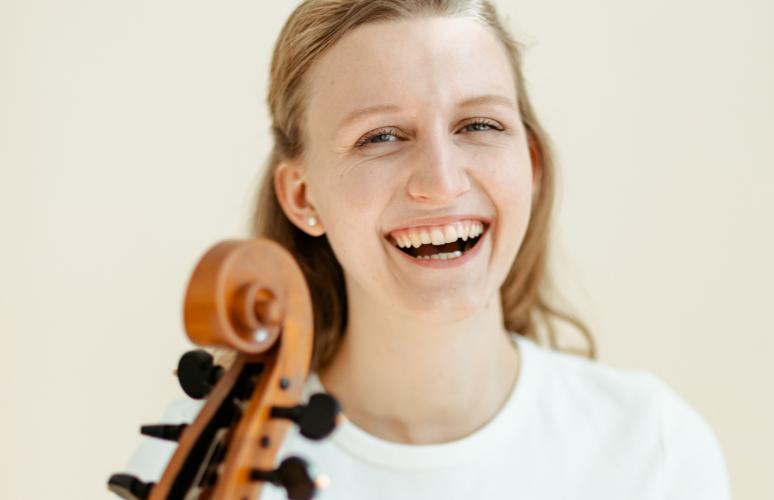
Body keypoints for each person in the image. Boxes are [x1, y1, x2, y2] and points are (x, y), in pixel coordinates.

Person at [126, 1, 731, 498]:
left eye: (479, 126)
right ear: (303, 196)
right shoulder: (197, 463)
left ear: (530, 164)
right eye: (381, 136)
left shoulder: (655, 449)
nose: (442, 182)